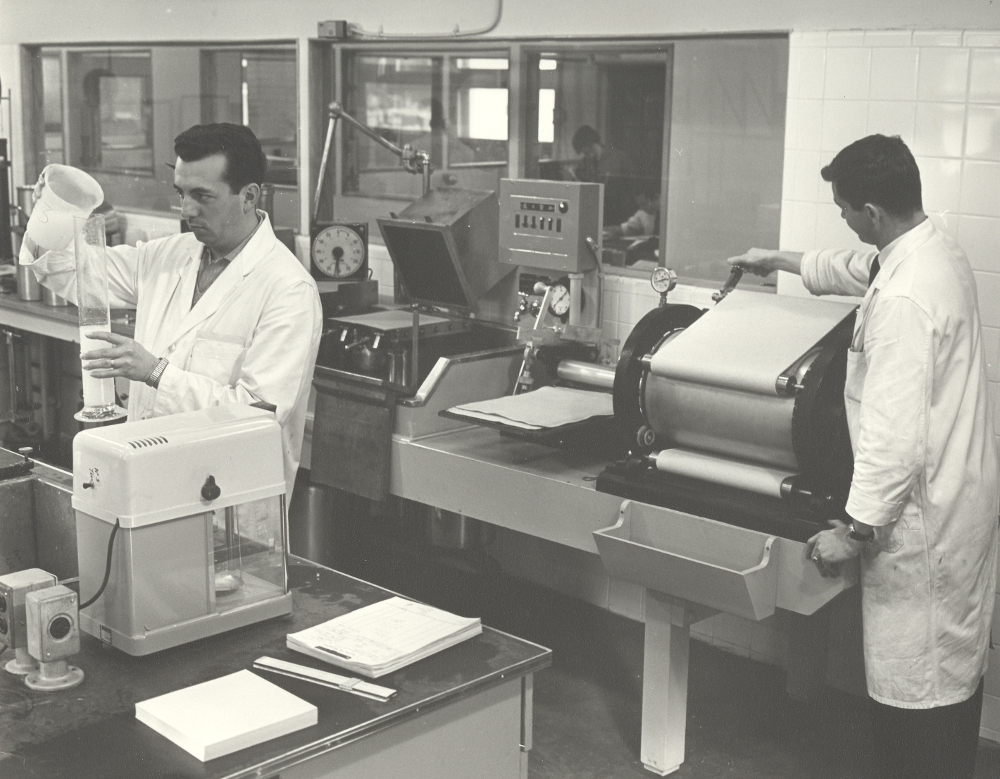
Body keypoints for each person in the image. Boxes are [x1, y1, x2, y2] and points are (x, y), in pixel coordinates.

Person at [729, 134, 998, 779]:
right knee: (951, 673)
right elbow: (856, 268)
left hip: (923, 520)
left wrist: (855, 530)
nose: (843, 218)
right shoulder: (928, 250)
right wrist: (779, 260)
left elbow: (892, 435)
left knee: (918, 695)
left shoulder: (906, 300)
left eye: (845, 207)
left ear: (873, 211)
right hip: (959, 499)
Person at [20, 123, 322, 499]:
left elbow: (258, 415)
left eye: (202, 196)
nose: (186, 209)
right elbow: (77, 273)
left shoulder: (288, 289)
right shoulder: (169, 255)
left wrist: (155, 372)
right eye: (181, 193)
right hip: (149, 484)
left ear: (249, 197)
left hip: (230, 503)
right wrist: (47, 217)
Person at [571, 124, 636, 225]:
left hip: (620, 215)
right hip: (596, 215)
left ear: (590, 145)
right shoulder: (584, 163)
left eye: (585, 151)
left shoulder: (619, 158)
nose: (584, 155)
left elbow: (633, 188)